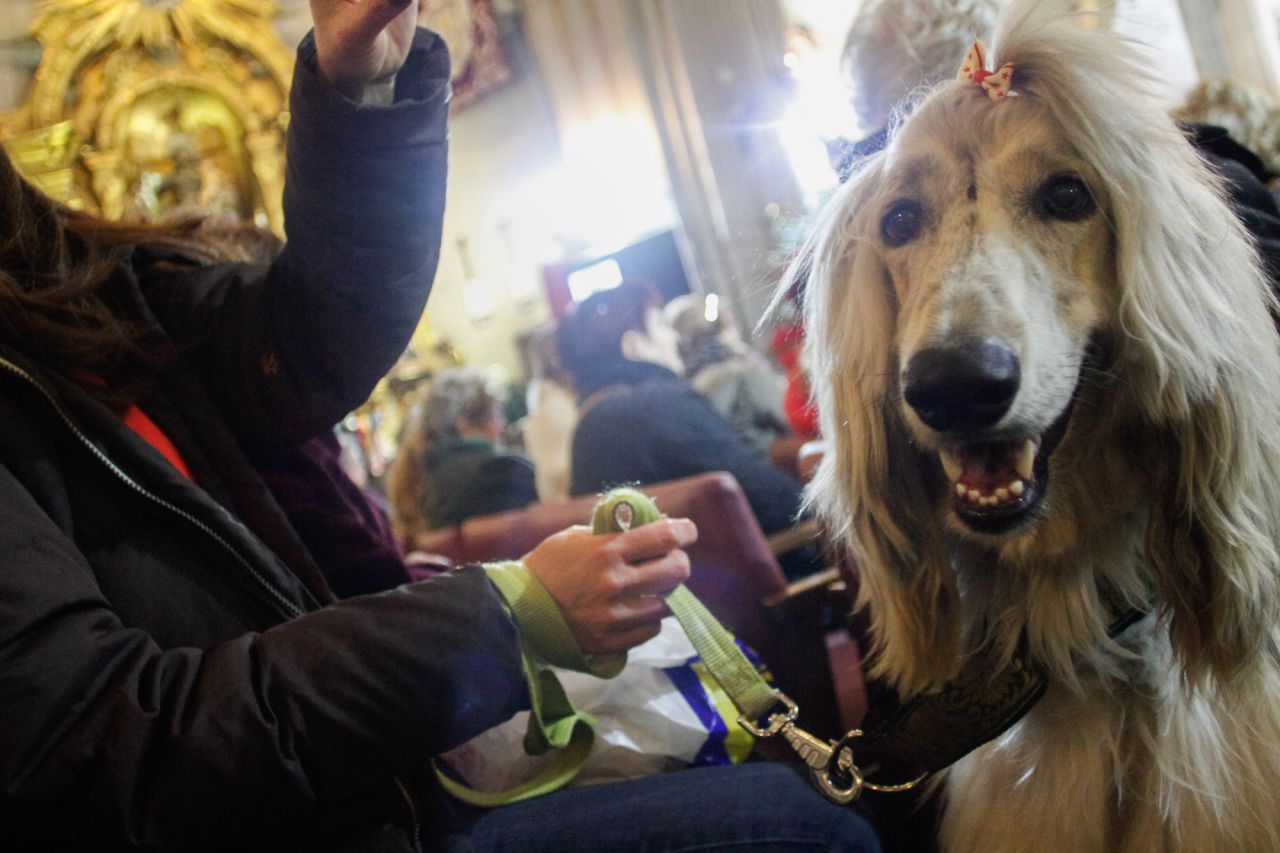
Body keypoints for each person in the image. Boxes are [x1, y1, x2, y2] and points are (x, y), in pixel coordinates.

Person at [0, 1, 882, 850]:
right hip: (322, 816)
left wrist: (363, 88)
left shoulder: (73, 312)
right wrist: (510, 614)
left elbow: (306, 342)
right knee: (803, 828)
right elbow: (114, 745)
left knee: (780, 802)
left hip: (370, 792)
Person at [557, 280, 820, 580]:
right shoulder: (662, 405)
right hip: (767, 591)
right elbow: (777, 503)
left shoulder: (588, 429)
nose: (671, 335)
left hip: (672, 600)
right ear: (633, 346)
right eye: (657, 324)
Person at [387, 366, 538, 544]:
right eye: (495, 415)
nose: (500, 426)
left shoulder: (418, 477)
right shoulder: (502, 470)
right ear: (464, 423)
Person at [664, 293, 793, 464]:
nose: (736, 332)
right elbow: (791, 417)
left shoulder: (685, 392)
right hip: (779, 469)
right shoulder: (744, 373)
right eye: (731, 325)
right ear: (720, 332)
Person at [521, 324, 579, 503]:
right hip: (571, 500)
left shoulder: (541, 396)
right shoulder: (556, 402)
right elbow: (564, 469)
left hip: (557, 501)